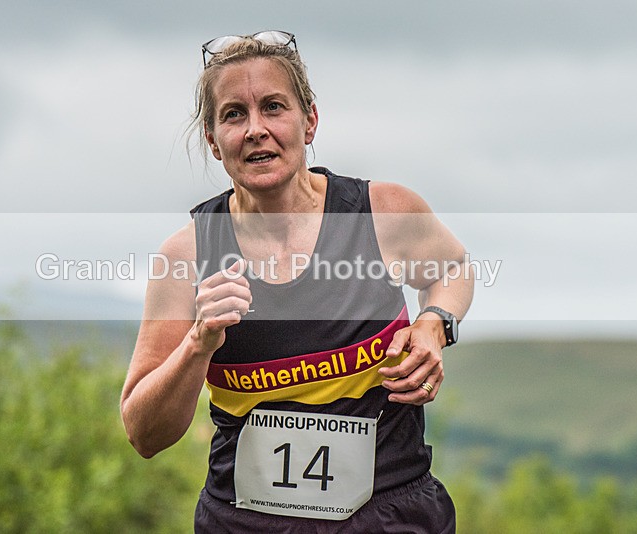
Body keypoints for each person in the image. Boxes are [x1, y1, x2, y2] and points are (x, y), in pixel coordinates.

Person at [121, 30, 474, 533]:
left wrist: (434, 324)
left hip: (391, 515)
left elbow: (453, 269)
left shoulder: (383, 212)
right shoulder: (186, 256)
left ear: (309, 120)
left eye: (273, 107)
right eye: (234, 114)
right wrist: (198, 344)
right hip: (245, 523)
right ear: (213, 140)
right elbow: (144, 434)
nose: (255, 130)